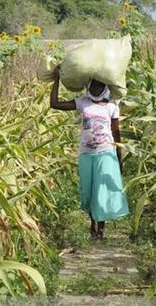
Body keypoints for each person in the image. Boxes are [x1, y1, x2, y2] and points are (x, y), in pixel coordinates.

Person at [49, 66, 130, 241]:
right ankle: (92, 222)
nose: (96, 89)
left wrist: (119, 156)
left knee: (101, 192)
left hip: (106, 152)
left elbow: (116, 134)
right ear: (89, 86)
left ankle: (99, 230)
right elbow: (54, 104)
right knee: (89, 191)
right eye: (93, 85)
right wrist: (56, 80)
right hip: (86, 153)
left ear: (105, 87)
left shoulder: (112, 107)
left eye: (99, 86)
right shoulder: (83, 103)